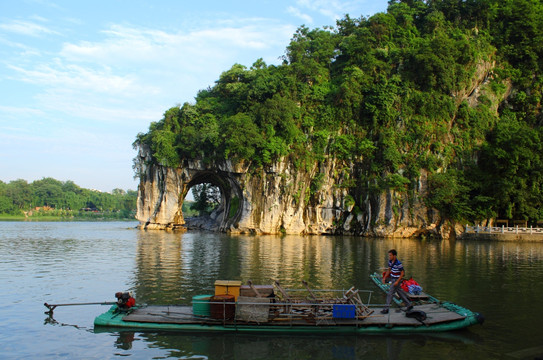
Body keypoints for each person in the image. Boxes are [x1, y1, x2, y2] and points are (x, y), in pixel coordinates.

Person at [381, 249, 413, 314]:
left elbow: (402, 273)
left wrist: (397, 282)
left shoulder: (398, 263)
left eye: (390, 255)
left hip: (397, 280)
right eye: (389, 255)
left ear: (394, 256)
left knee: (390, 294)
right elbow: (389, 270)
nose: (389, 257)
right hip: (392, 279)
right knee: (399, 292)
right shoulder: (390, 262)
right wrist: (384, 278)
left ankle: (386, 309)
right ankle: (409, 304)